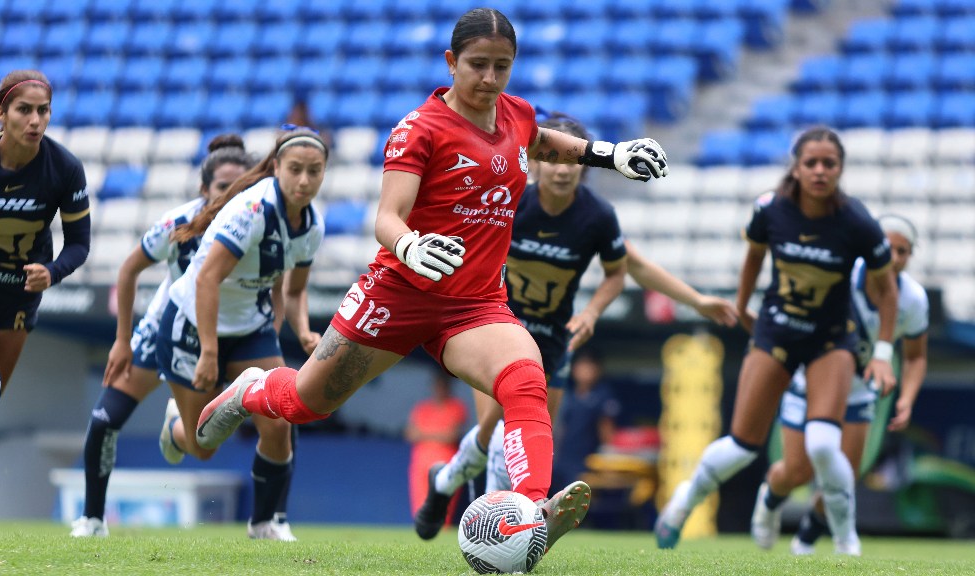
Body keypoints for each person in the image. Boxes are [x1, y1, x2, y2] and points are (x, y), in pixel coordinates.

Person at [194, 8, 669, 558]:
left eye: (503, 67)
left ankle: (531, 513)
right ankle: (251, 387)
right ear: (451, 62)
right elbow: (386, 217)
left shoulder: (514, 114)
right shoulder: (419, 129)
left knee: (525, 380)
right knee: (307, 403)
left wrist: (611, 154)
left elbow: (540, 141)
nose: (491, 79)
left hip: (474, 305)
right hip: (397, 294)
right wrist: (411, 245)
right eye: (479, 66)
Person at [412, 112, 737, 538]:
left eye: (572, 161)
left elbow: (626, 270)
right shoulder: (509, 206)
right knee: (504, 429)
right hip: (498, 326)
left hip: (553, 338)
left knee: (533, 439)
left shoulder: (596, 217)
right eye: (554, 159)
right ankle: (495, 532)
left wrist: (599, 312)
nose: (563, 169)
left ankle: (446, 481)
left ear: (584, 165)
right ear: (537, 160)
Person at [654, 126, 899, 556]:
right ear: (796, 167)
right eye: (812, 163)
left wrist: (881, 353)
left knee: (824, 443)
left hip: (830, 339)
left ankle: (846, 543)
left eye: (830, 164)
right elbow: (752, 258)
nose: (820, 171)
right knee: (742, 445)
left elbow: (888, 289)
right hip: (777, 331)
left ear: (841, 169)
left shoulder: (858, 222)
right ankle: (683, 504)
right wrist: (743, 306)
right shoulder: (770, 209)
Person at [70, 135, 254, 538]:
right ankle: (92, 519)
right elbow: (128, 270)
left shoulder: (255, 225)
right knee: (104, 419)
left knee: (204, 448)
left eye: (241, 186)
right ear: (204, 189)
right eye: (223, 186)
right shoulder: (178, 225)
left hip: (213, 341)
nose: (231, 194)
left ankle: (175, 428)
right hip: (161, 331)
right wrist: (122, 340)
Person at [156, 126, 328, 542]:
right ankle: (175, 425)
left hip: (250, 327)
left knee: (283, 416)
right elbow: (206, 280)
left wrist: (304, 330)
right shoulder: (253, 210)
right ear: (276, 168)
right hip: (193, 327)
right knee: (203, 447)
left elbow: (295, 289)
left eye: (314, 171)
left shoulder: (312, 225)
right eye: (295, 170)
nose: (304, 180)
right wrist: (210, 353)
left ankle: (264, 523)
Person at [0, 70, 90, 534]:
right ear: (1, 114)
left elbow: (78, 244)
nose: (35, 120)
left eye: (43, 111)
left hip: (18, 296)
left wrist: (52, 272)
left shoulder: (64, 169)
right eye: (24, 110)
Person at [751, 214, 928, 554]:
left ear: (910, 256)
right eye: (886, 247)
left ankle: (807, 540)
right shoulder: (839, 278)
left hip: (860, 392)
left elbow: (916, 356)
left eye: (902, 251)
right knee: (797, 471)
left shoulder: (914, 300)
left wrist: (907, 397)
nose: (892, 257)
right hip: (811, 385)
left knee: (844, 474)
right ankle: (769, 501)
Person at [551, 350, 620, 492]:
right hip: (560, 461)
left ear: (598, 370)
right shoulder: (566, 395)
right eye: (582, 366)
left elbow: (607, 434)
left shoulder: (603, 396)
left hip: (586, 463)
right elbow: (558, 428)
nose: (585, 371)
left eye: (590, 366)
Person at [405, 370, 468, 520]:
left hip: (445, 462)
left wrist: (424, 434)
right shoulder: (422, 408)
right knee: (420, 504)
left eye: (443, 386)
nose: (440, 389)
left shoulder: (456, 407)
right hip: (420, 462)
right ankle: (422, 535)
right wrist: (438, 434)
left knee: (442, 506)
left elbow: (452, 436)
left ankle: (439, 535)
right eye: (437, 386)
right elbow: (410, 434)